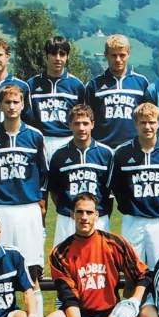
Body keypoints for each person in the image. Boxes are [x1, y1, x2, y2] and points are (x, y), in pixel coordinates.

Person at [40, 193, 151, 317]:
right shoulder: (60, 252)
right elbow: (68, 297)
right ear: (72, 214)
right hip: (76, 312)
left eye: (89, 212)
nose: (84, 217)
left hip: (107, 313)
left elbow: (143, 274)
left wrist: (134, 301)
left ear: (97, 215)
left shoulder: (114, 243)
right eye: (80, 212)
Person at [0, 84, 47, 317]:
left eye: (16, 102)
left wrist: (33, 196)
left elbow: (44, 172)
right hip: (0, 209)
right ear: (0, 105)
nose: (12, 106)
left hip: (28, 209)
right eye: (7, 102)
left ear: (23, 104)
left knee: (31, 270)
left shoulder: (35, 136)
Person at [111, 103, 159, 270]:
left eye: (152, 122)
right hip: (132, 219)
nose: (147, 127)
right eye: (143, 122)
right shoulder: (122, 152)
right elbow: (116, 187)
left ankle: (157, 290)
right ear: (135, 124)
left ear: (158, 123)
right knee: (131, 269)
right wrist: (128, 207)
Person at [47, 104, 114, 247]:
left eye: (85, 123)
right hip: (67, 219)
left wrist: (99, 213)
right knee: (65, 259)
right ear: (70, 125)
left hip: (98, 218)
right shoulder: (59, 155)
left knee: (99, 258)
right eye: (77, 123)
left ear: (92, 124)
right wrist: (69, 210)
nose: (81, 128)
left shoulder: (106, 153)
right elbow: (54, 192)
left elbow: (109, 193)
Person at [85, 34, 149, 149]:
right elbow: (88, 119)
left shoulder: (141, 83)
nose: (118, 59)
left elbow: (148, 117)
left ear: (129, 53)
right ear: (106, 55)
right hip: (103, 147)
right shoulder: (94, 85)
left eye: (122, 55)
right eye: (113, 55)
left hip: (133, 147)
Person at [28, 36, 85, 160]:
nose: (58, 58)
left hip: (68, 140)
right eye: (53, 54)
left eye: (62, 54)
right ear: (46, 55)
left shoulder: (76, 85)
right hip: (40, 140)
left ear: (67, 56)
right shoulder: (32, 84)